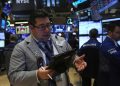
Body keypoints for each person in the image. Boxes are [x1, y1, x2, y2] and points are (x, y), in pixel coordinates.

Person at [8, 9, 87, 86]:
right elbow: (13, 77)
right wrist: (37, 74)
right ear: (31, 27)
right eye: (42, 27)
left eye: (48, 25)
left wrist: (75, 61)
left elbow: (71, 57)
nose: (47, 30)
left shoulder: (61, 41)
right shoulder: (21, 48)